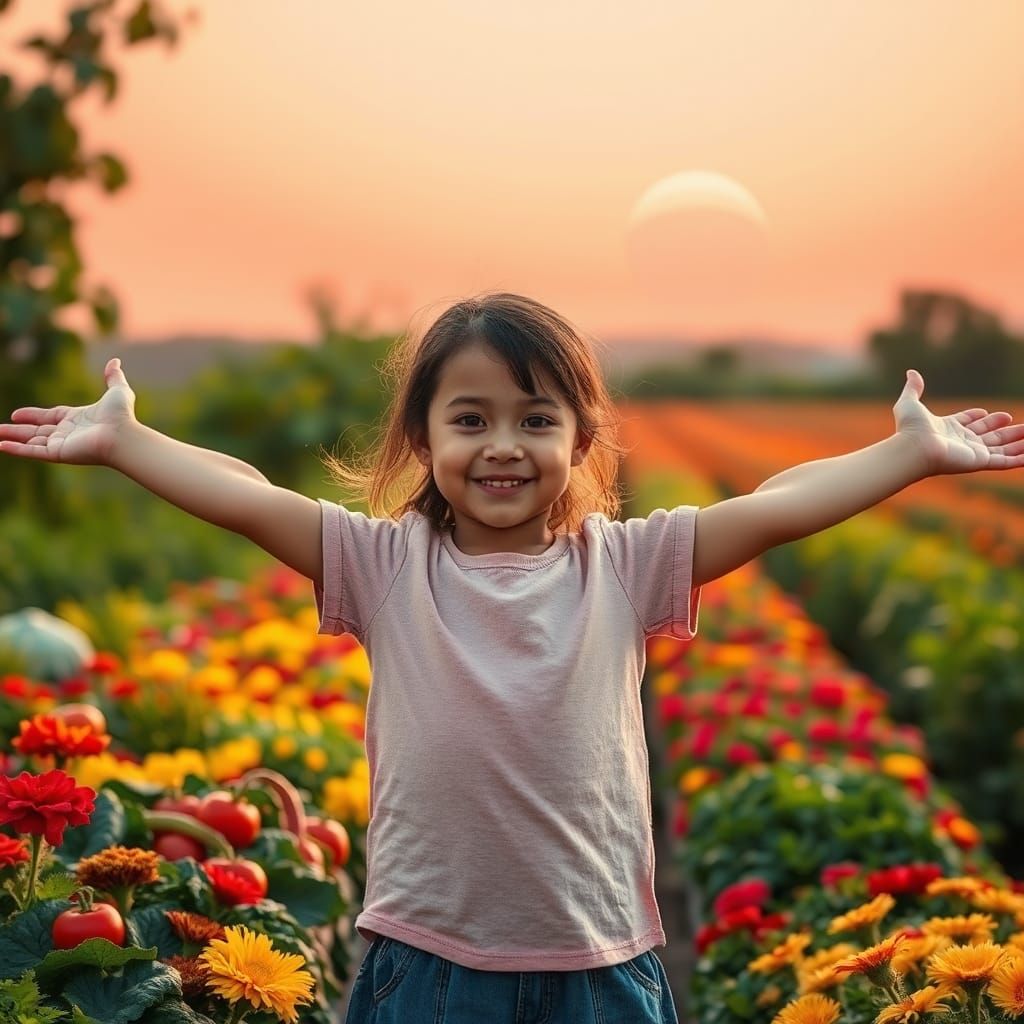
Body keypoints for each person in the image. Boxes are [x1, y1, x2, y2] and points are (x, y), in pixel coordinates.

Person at [1, 292, 1022, 1024]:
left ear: (580, 440)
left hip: (602, 967)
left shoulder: (624, 564)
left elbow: (772, 507)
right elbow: (250, 495)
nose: (502, 444)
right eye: (470, 418)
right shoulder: (384, 562)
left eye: (536, 419)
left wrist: (909, 453)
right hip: (430, 964)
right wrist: (127, 441)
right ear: (424, 436)